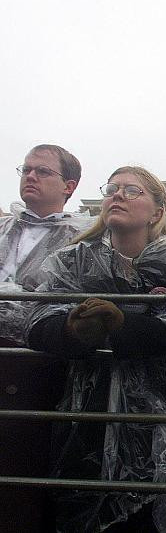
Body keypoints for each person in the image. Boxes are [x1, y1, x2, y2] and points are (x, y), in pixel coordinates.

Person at [26, 166, 166, 532]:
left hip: (161, 420)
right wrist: (72, 329)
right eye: (112, 188)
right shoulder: (72, 260)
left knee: (146, 515)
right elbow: (36, 320)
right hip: (86, 413)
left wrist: (123, 325)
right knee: (80, 505)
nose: (117, 195)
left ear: (157, 211)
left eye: (132, 191)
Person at [0, 144, 92, 532]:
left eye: (42, 171)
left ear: (69, 186)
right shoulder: (3, 226)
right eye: (26, 169)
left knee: (20, 466)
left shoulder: (83, 238)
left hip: (33, 364)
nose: (30, 176)